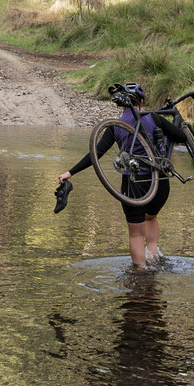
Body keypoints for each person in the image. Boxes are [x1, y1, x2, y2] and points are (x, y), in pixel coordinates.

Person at [60, 83, 172, 271]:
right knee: (151, 217)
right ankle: (152, 258)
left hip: (133, 184)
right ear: (142, 102)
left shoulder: (114, 127)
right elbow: (181, 136)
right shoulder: (154, 118)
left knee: (136, 234)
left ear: (121, 104)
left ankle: (140, 272)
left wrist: (70, 172)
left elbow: (95, 154)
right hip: (159, 182)